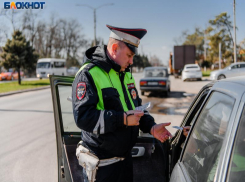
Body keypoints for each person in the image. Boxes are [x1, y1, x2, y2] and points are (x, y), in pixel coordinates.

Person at [72, 24, 172, 182]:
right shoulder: (89, 74)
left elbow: (137, 109)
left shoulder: (126, 75)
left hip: (125, 162)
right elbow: (83, 117)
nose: (132, 61)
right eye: (129, 55)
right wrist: (123, 119)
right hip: (101, 167)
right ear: (114, 48)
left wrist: (151, 127)